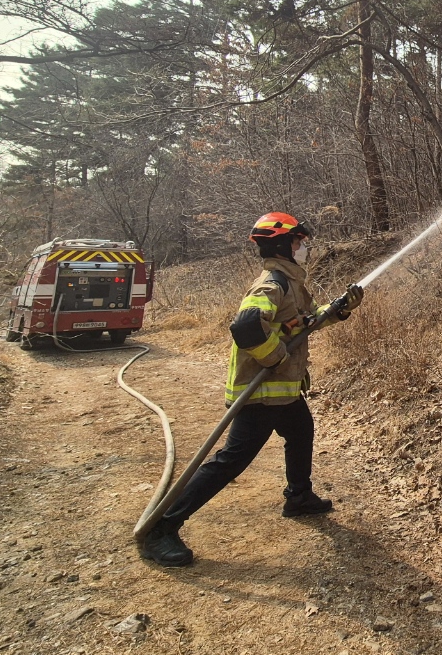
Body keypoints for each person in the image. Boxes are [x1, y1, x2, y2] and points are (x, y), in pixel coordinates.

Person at [140, 211, 363, 567]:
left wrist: (336, 311)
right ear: (282, 244)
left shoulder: (290, 283)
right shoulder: (272, 284)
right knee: (230, 462)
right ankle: (161, 529)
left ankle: (299, 497)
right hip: (260, 394)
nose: (304, 247)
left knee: (301, 431)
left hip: (281, 392)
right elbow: (245, 326)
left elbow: (301, 324)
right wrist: (274, 357)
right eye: (298, 241)